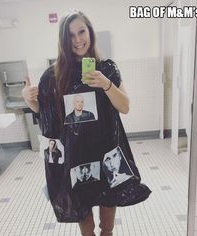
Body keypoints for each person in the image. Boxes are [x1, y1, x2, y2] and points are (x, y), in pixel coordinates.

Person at [22, 9, 150, 236]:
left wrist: (106, 84)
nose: (78, 39)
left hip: (105, 150)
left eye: (81, 31)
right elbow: (47, 114)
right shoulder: (53, 75)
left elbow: (125, 107)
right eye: (70, 35)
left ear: (90, 32)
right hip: (76, 154)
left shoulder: (107, 68)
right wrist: (29, 100)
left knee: (108, 208)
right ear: (63, 40)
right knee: (84, 219)